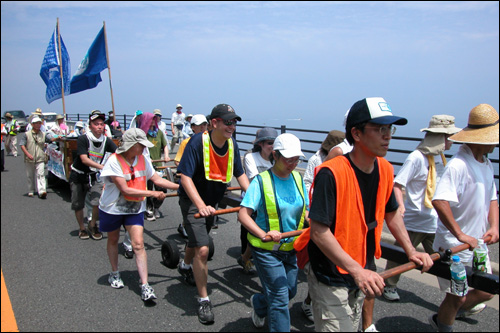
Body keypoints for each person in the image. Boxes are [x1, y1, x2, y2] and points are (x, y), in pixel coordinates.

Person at [306, 97, 433, 332]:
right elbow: (318, 231)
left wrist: (411, 250)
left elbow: (392, 213)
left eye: (389, 129)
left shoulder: (385, 168)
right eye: (379, 129)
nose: (388, 136)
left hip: (362, 266)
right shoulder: (330, 173)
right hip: (332, 272)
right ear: (356, 133)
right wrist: (357, 270)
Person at [176, 103, 249, 325]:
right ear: (214, 123)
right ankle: (204, 299)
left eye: (234, 122)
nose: (232, 126)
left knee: (197, 239)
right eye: (228, 122)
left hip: (211, 201)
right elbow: (185, 177)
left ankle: (185, 266)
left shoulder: (232, 144)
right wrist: (199, 205)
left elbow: (240, 173)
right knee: (203, 248)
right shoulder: (197, 143)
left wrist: (255, 197)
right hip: (192, 201)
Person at [428, 103, 499, 332]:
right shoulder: (458, 165)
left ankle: (442, 318)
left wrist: (495, 226)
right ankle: (445, 325)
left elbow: (492, 198)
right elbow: (439, 200)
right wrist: (460, 234)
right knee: (455, 297)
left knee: (486, 290)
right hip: (454, 246)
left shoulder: (485, 164)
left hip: (477, 244)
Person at [383, 115, 461, 302]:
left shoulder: (440, 158)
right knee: (401, 254)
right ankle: (389, 285)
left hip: (434, 220)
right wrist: (401, 205)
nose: (451, 141)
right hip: (414, 218)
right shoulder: (416, 158)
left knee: (443, 258)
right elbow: (398, 184)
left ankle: (454, 294)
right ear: (440, 138)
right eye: (448, 137)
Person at [239, 133, 309, 332]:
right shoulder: (261, 181)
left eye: (297, 159)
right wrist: (263, 233)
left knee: (290, 291)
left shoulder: (297, 178)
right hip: (266, 249)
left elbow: (306, 210)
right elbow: (243, 215)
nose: (293, 163)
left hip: (290, 247)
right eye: (289, 159)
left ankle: (259, 304)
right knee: (279, 298)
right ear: (275, 155)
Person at [99, 128, 179, 301]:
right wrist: (153, 194)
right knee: (113, 240)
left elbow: (157, 179)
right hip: (113, 207)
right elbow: (125, 189)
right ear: (131, 145)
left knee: (138, 244)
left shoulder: (143, 159)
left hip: (135, 208)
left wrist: (182, 187)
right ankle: (114, 273)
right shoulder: (114, 161)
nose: (144, 148)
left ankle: (145, 284)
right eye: (141, 145)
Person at [300, 129, 345, 323]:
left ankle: (313, 301)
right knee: (317, 255)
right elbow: (308, 180)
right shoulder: (316, 159)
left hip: (334, 209)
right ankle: (310, 302)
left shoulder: (343, 157)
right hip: (316, 206)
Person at [69, 110, 117, 240]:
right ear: (90, 125)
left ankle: (92, 224)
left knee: (98, 201)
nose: (99, 126)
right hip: (78, 175)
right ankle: (82, 228)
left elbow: (118, 152)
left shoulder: (106, 140)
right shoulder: (83, 139)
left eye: (101, 124)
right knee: (78, 204)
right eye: (96, 124)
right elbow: (84, 159)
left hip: (94, 175)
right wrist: (103, 167)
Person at [239, 127, 278, 274]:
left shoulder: (278, 158)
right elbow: (256, 181)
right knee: (248, 230)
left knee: (266, 232)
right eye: (269, 143)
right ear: (260, 144)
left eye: (275, 142)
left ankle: (247, 256)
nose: (272, 146)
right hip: (253, 199)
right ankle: (246, 257)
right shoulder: (251, 157)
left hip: (272, 201)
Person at [173, 114, 208, 238]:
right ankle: (186, 227)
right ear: (193, 127)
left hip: (204, 183)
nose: (204, 128)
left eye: (205, 124)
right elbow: (178, 161)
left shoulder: (210, 142)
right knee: (191, 213)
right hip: (190, 181)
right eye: (200, 125)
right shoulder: (186, 142)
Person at [19, 116, 62, 198]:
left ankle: (42, 191)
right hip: (30, 157)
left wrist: (57, 138)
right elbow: (22, 145)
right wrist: (27, 154)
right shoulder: (27, 134)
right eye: (36, 123)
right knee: (30, 175)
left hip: (40, 157)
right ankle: (31, 190)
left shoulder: (43, 134)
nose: (38, 125)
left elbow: (50, 140)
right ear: (32, 124)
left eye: (39, 123)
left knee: (41, 174)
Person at [139, 112, 170, 221]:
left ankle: (156, 207)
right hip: (146, 166)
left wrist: (166, 155)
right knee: (149, 189)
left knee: (162, 189)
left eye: (154, 119)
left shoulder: (159, 133)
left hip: (158, 165)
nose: (153, 121)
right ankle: (149, 209)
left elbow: (165, 145)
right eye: (151, 119)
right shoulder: (142, 134)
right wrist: (147, 158)